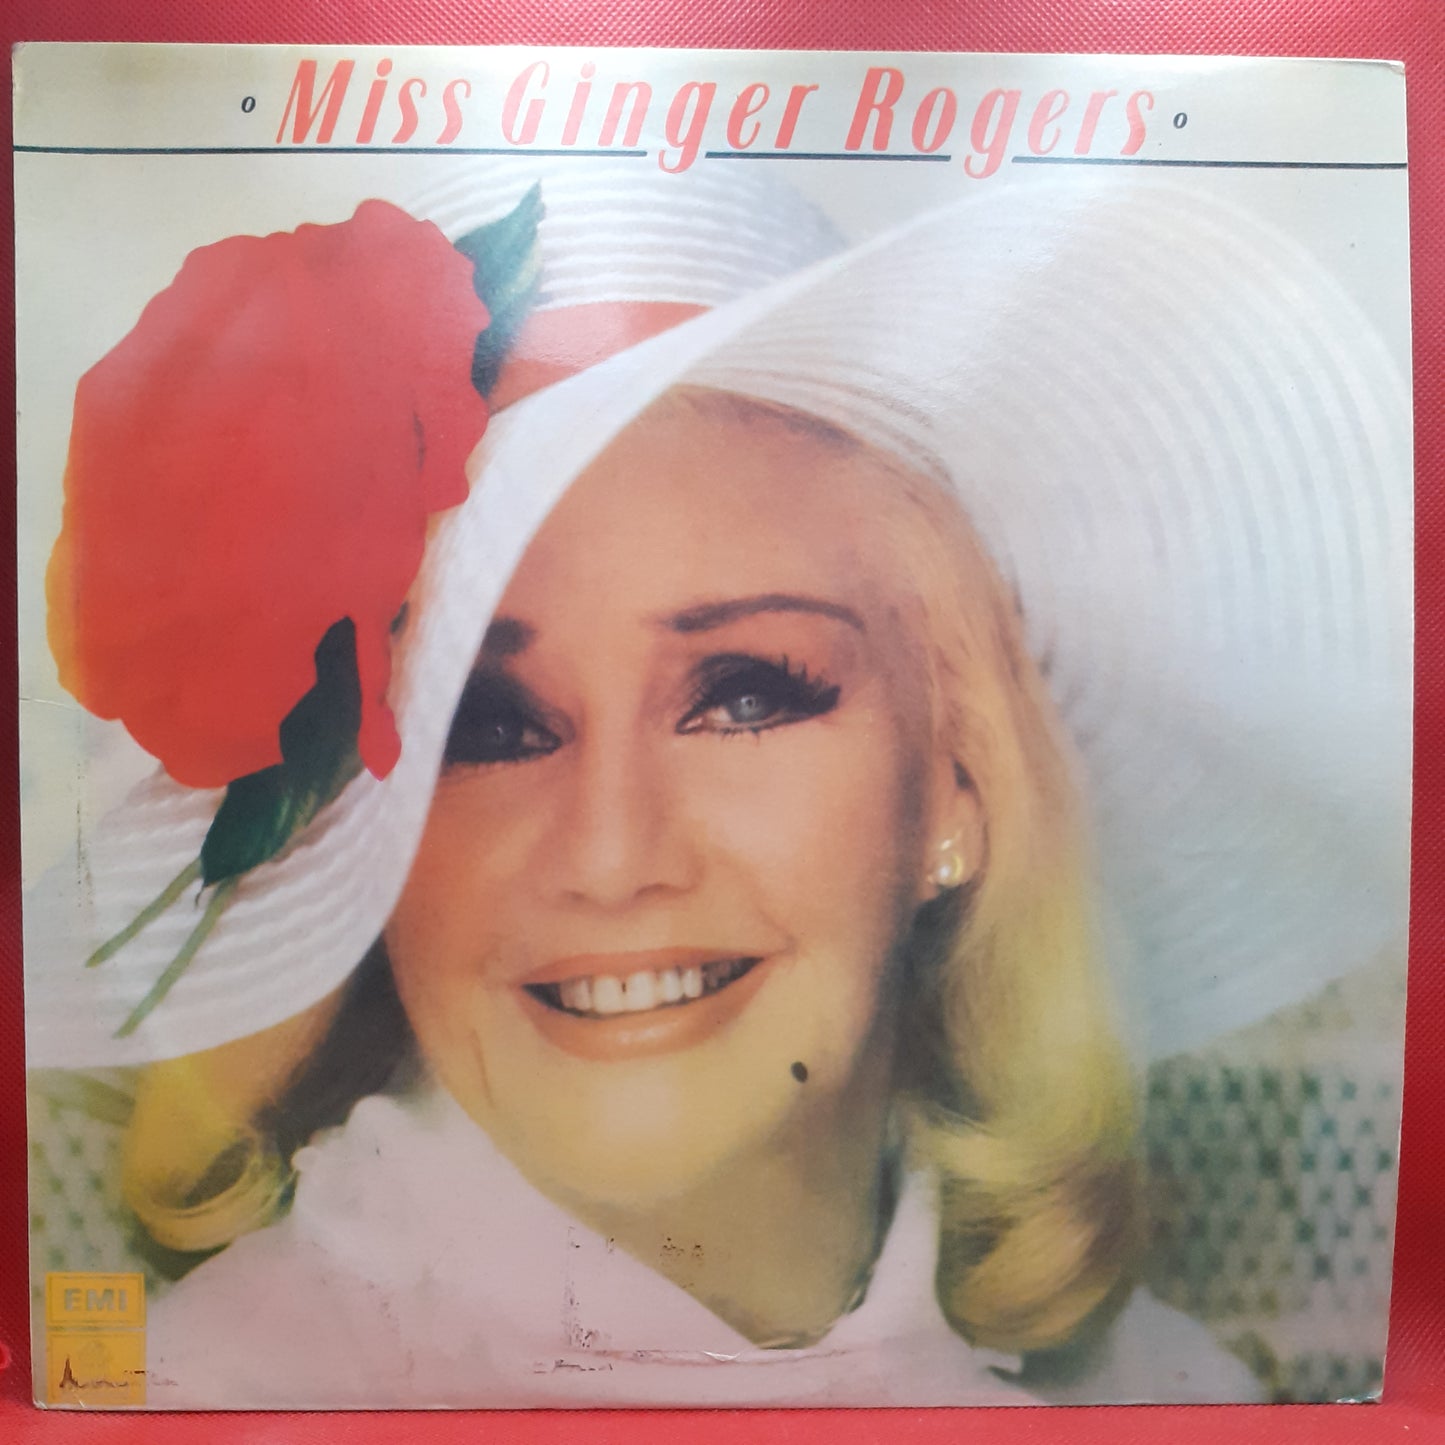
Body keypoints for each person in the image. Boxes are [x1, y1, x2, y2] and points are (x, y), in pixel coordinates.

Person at [26, 161, 1408, 1408]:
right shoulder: (203, 1398)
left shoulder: (1173, 1397)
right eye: (487, 724)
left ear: (955, 787)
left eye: (745, 694)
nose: (610, 853)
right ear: (352, 845)